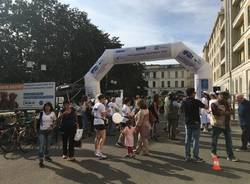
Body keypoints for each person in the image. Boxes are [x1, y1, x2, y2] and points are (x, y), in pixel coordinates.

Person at [181, 88, 208, 162]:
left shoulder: (184, 102)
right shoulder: (197, 101)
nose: (195, 93)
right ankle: (195, 157)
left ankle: (187, 156)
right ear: (192, 93)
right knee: (196, 140)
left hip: (188, 122)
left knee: (188, 140)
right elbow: (205, 107)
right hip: (196, 122)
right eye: (194, 92)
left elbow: (181, 110)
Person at [210, 92, 238, 161]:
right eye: (223, 98)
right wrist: (226, 113)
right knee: (214, 140)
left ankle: (230, 156)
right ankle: (213, 152)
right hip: (217, 125)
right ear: (219, 97)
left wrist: (226, 112)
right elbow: (216, 113)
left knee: (229, 141)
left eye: (226, 98)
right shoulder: (214, 104)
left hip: (226, 124)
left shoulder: (227, 103)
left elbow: (231, 112)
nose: (225, 100)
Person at [36, 102, 57, 168]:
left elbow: (55, 121)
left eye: (48, 106)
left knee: (48, 146)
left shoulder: (53, 113)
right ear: (44, 107)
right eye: (46, 106)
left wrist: (52, 127)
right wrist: (35, 129)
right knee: (41, 146)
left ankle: (47, 156)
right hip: (42, 131)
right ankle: (41, 160)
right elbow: (35, 120)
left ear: (50, 107)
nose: (47, 107)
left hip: (49, 132)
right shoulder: (41, 113)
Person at [93, 94, 110, 159]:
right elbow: (103, 114)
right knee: (103, 137)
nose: (105, 100)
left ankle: (96, 151)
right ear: (102, 99)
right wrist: (107, 111)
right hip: (100, 121)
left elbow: (92, 113)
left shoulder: (95, 104)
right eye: (104, 99)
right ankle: (100, 152)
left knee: (97, 137)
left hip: (95, 121)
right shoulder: (102, 105)